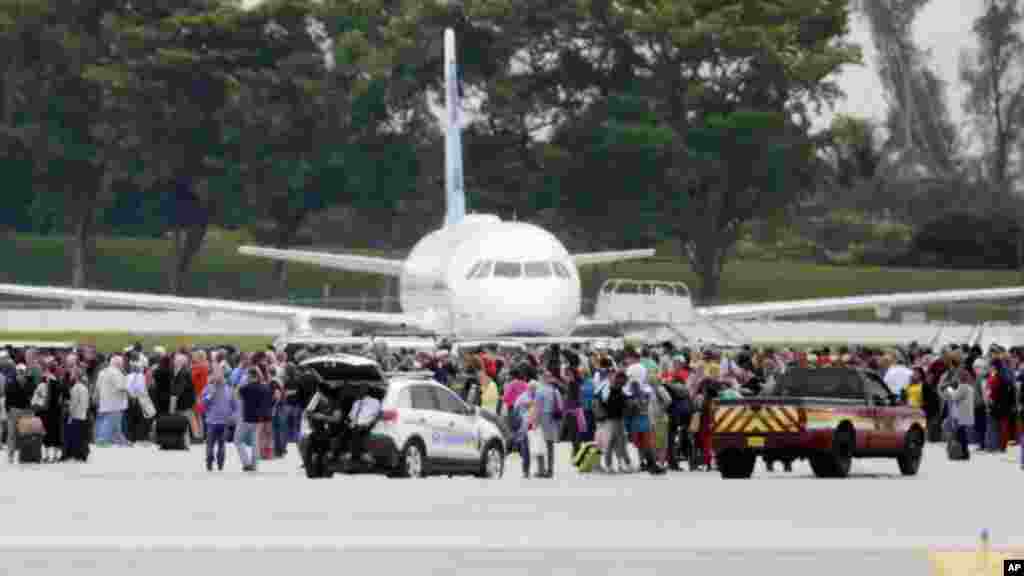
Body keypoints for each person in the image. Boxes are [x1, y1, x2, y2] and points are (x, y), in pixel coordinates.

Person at [201, 371, 236, 471]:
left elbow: (235, 406)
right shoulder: (208, 389)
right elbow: (203, 403)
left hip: (223, 422)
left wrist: (232, 417)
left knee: (221, 444)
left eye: (220, 378)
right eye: (217, 378)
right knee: (210, 444)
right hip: (212, 421)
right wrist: (210, 395)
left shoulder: (229, 390)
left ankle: (220, 463)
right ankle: (209, 461)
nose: (219, 380)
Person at [236, 367, 269, 472]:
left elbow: (238, 396)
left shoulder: (245, 388)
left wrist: (242, 384)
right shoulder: (264, 388)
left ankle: (246, 463)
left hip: (246, 418)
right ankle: (255, 464)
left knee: (237, 440)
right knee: (255, 441)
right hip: (259, 419)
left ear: (250, 376)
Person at [346, 383, 382, 469]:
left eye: (361, 390)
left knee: (357, 432)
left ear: (366, 391)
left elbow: (377, 415)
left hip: (367, 424)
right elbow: (351, 415)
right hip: (355, 424)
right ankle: (359, 455)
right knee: (348, 431)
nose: (359, 392)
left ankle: (355, 457)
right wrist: (350, 422)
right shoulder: (357, 402)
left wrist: (369, 423)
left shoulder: (374, 401)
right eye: (358, 390)